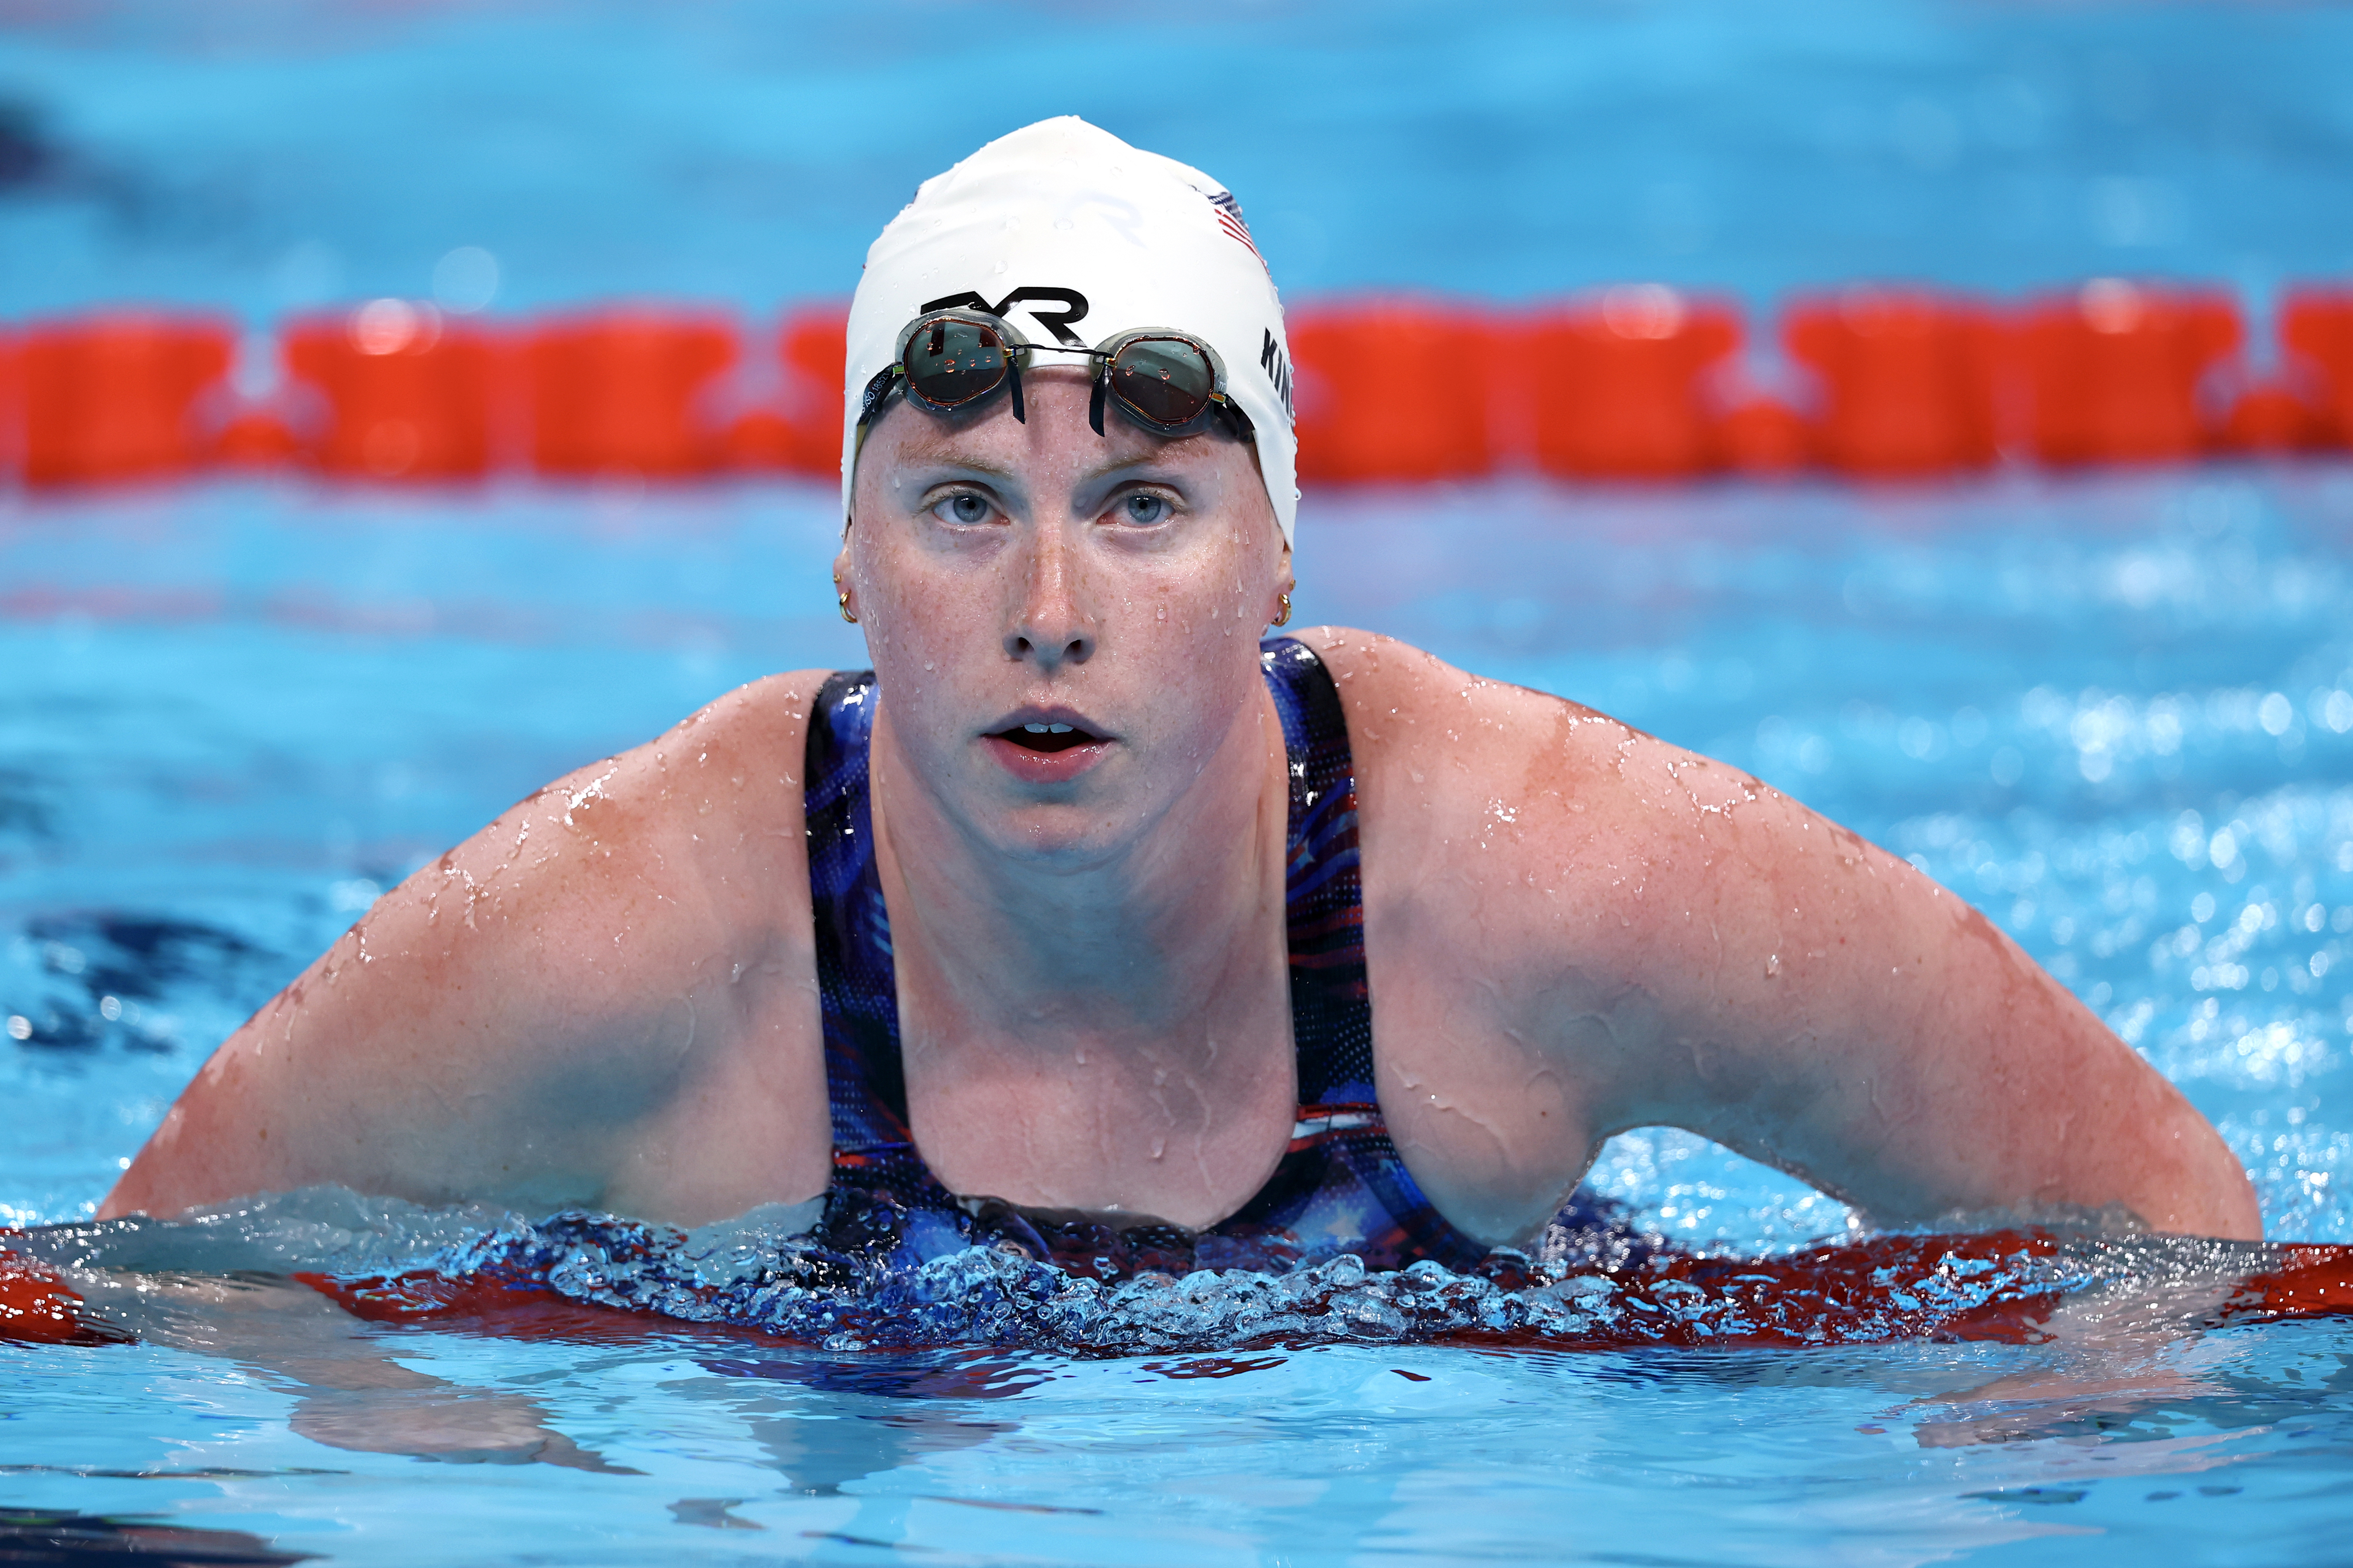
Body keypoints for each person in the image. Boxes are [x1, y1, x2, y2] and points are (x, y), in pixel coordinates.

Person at [101, 118, 2259, 1261]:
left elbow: (2168, 1241)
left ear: (1282, 553)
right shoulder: (629, 937)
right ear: (843, 556)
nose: (1050, 607)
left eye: (1143, 506)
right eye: (961, 508)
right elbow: (126, 1323)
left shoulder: (1548, 880)